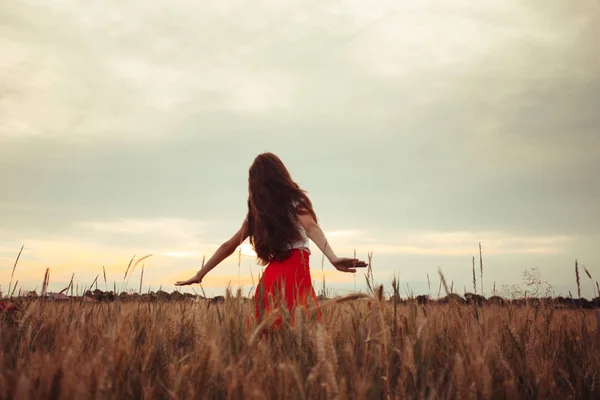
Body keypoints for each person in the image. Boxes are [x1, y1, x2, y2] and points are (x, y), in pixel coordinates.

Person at [175, 152, 367, 328]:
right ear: (280, 174)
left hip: (271, 278)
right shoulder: (293, 202)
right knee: (301, 330)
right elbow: (311, 228)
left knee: (268, 334)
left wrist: (201, 273)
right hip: (295, 272)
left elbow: (228, 246)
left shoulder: (258, 214)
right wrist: (332, 258)